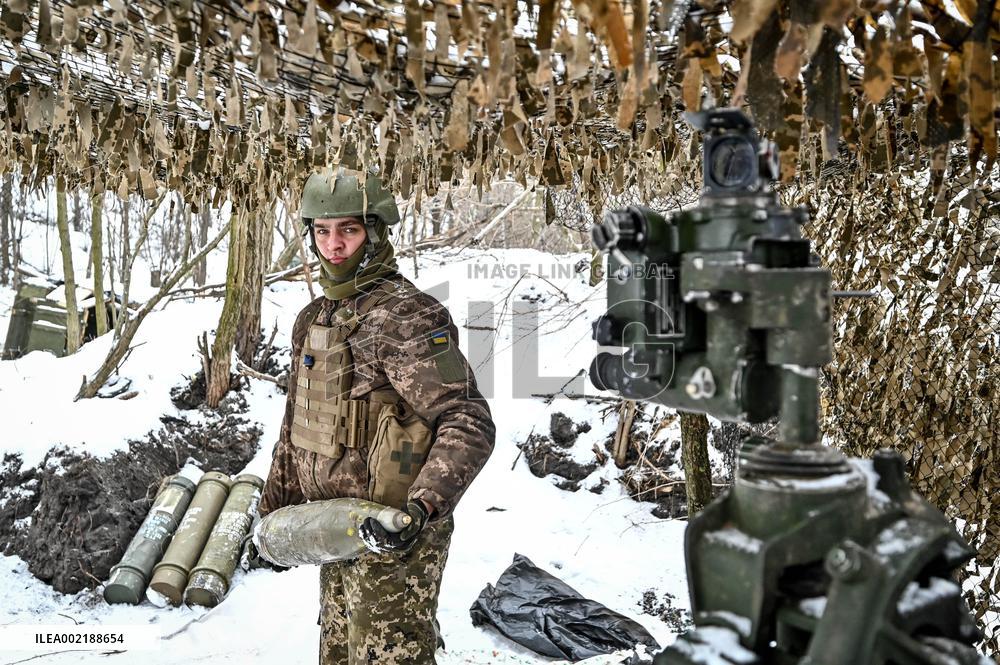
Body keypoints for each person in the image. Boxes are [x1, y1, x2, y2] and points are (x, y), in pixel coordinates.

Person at [256, 167, 496, 664]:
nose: (333, 245)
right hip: (336, 527)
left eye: (348, 229)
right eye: (322, 231)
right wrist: (271, 516)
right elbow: (294, 428)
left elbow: (467, 419)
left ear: (376, 232)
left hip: (394, 533)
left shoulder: (406, 316)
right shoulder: (314, 318)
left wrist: (420, 509)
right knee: (339, 656)